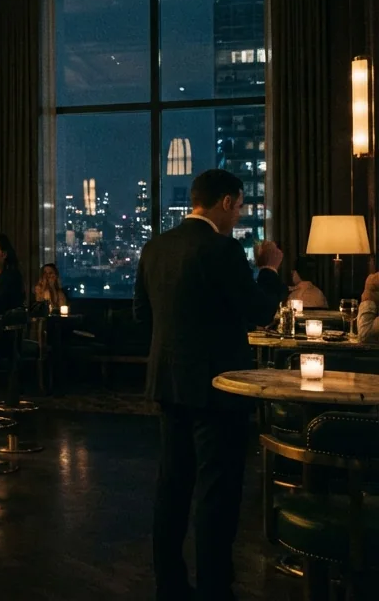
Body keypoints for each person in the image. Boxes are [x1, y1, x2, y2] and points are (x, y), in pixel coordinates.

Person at [133, 169, 285, 601]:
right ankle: (215, 586)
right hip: (220, 387)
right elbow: (258, 311)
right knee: (216, 491)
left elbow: (142, 317)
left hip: (169, 381)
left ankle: (170, 583)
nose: (238, 215)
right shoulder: (222, 249)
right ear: (224, 202)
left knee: (172, 484)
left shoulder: (155, 247)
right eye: (239, 207)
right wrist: (270, 269)